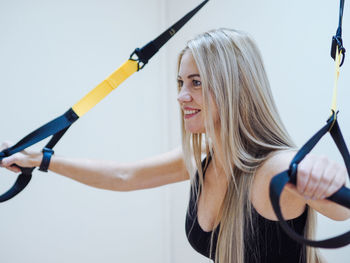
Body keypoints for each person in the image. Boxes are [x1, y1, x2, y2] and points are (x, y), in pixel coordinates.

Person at [1, 28, 349, 263]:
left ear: (233, 87)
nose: (182, 96)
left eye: (196, 83)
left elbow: (340, 208)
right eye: (180, 82)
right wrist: (41, 159)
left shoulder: (275, 168)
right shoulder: (204, 158)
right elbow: (125, 176)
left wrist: (325, 180)